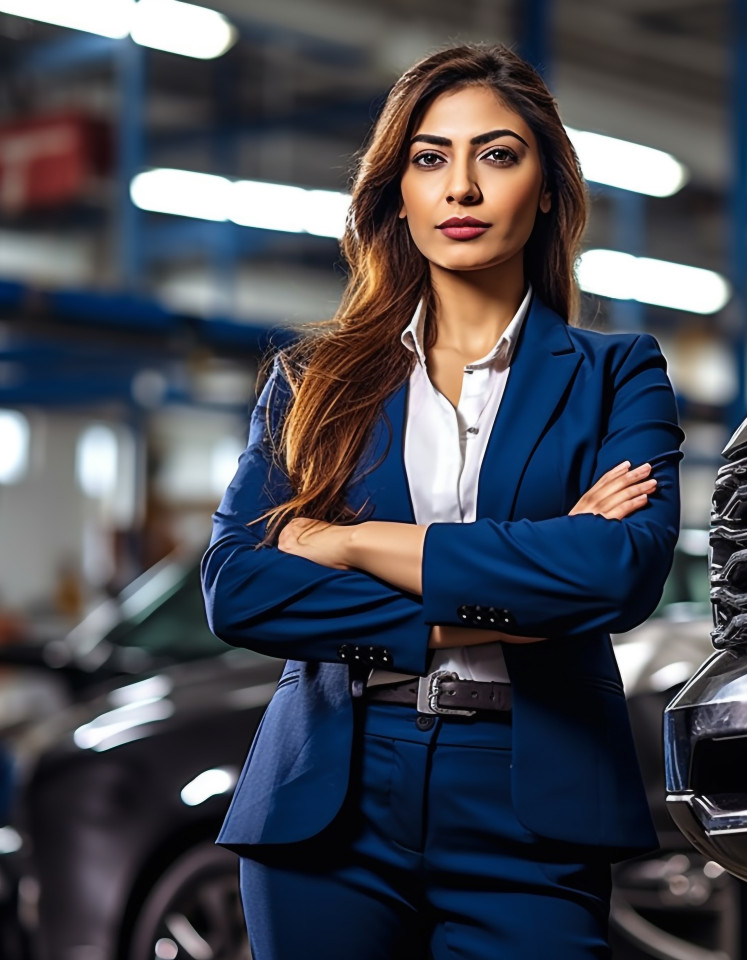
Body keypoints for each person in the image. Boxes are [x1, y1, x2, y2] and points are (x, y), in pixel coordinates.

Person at [201, 41, 683, 960]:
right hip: (329, 799)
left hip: (531, 800)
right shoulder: (312, 382)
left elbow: (615, 574)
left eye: (496, 155)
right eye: (431, 158)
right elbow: (238, 587)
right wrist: (494, 601)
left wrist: (351, 544)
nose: (461, 187)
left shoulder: (621, 374)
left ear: (546, 188)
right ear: (400, 192)